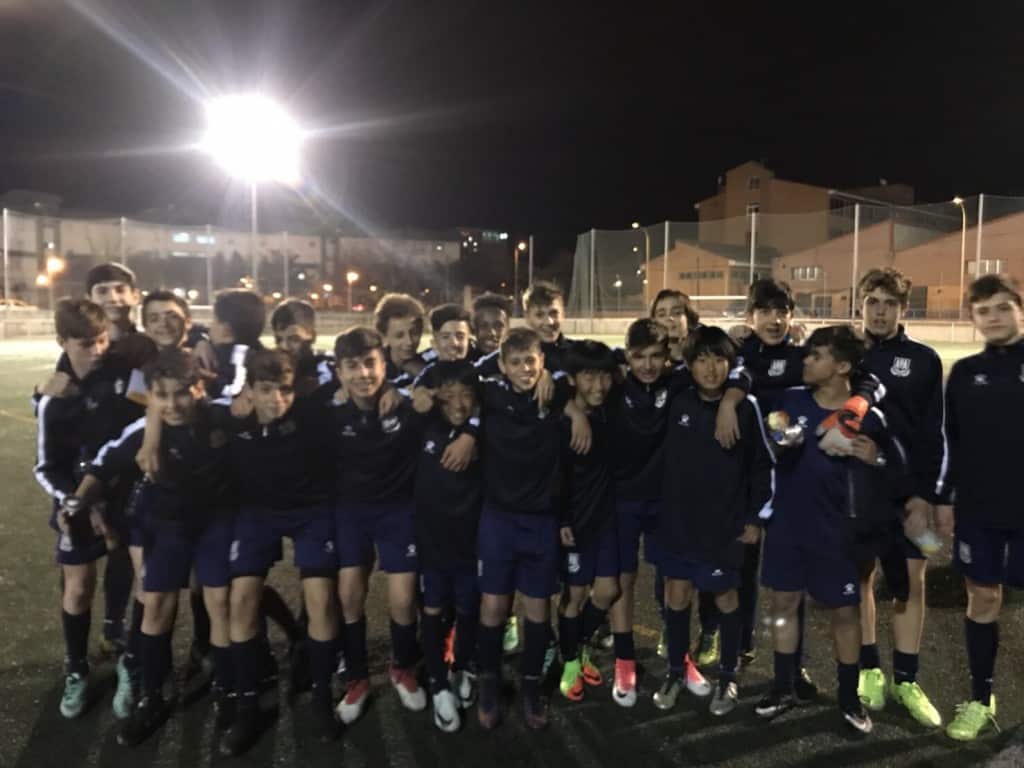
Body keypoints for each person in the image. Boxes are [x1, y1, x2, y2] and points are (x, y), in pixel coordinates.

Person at [67, 348, 235, 745]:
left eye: (181, 393)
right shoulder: (142, 430)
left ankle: (228, 691)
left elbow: (253, 403)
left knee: (220, 602)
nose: (172, 404)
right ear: (152, 397)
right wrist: (75, 503)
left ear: (198, 388)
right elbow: (102, 465)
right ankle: (151, 696)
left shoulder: (222, 416)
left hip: (215, 524)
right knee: (156, 605)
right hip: (167, 526)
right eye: (162, 395)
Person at [755, 325, 898, 734]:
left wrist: (877, 459)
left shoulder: (869, 417)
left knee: (845, 613)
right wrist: (781, 438)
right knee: (783, 604)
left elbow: (896, 471)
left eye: (816, 356)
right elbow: (773, 431)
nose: (806, 361)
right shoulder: (791, 399)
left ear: (842, 366)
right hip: (788, 525)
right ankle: (783, 686)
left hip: (837, 531)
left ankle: (848, 697)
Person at [219, 349, 340, 756]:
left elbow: (345, 383)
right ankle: (248, 706)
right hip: (257, 514)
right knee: (240, 599)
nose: (277, 399)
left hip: (310, 511)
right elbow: (178, 404)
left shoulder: (313, 412)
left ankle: (322, 696)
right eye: (266, 390)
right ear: (250, 390)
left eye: (284, 390)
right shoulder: (230, 416)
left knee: (321, 599)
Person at [32, 298, 146, 720]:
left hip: (124, 496)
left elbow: (149, 419)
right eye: (85, 344)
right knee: (78, 587)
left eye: (101, 340)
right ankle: (77, 668)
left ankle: (130, 659)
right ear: (62, 341)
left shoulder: (123, 375)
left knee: (139, 575)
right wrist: (75, 502)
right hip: (75, 503)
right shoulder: (53, 397)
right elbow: (45, 467)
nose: (97, 350)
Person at [604, 319, 722, 707]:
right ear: (627, 356)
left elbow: (734, 373)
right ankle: (624, 660)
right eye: (639, 357)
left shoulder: (678, 383)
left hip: (666, 500)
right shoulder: (614, 385)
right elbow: (575, 370)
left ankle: (679, 660)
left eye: (656, 356)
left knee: (676, 581)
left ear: (667, 357)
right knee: (623, 579)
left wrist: (732, 399)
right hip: (622, 499)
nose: (648, 365)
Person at [657, 326, 773, 716]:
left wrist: (755, 517)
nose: (711, 368)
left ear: (730, 364)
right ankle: (676, 671)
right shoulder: (678, 400)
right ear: (690, 365)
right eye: (702, 360)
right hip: (679, 522)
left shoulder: (746, 407)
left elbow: (762, 468)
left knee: (726, 597)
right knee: (677, 594)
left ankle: (728, 676)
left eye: (719, 359)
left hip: (724, 525)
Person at [473, 328, 584, 729]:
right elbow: (467, 370)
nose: (524, 369)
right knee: (494, 607)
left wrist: (562, 394)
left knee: (538, 610)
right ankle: (489, 682)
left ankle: (531, 685)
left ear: (542, 362)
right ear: (503, 366)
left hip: (541, 521)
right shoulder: (489, 393)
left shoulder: (555, 398)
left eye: (531, 362)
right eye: (516, 362)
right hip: (498, 519)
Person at [854, 268, 945, 727]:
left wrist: (927, 496)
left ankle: (906, 679)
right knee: (860, 576)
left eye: (890, 303)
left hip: (907, 494)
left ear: (903, 309)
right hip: (857, 489)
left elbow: (933, 434)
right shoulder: (845, 354)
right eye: (873, 301)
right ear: (861, 305)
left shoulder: (924, 360)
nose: (881, 311)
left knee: (912, 579)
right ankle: (868, 668)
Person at [940, 274, 1024, 741]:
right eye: (983, 311)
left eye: (1003, 307)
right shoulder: (965, 374)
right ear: (972, 318)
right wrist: (944, 497)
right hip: (979, 508)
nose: (993, 318)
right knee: (983, 598)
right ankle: (980, 697)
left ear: (1020, 310)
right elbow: (951, 442)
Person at [330, 327, 428, 725]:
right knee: (349, 595)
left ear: (384, 365)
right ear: (339, 371)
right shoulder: (330, 409)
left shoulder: (405, 405)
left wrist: (415, 396)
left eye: (370, 364)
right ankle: (357, 677)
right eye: (352, 366)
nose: (363, 374)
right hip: (351, 513)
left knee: (403, 599)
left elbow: (446, 397)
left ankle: (402, 667)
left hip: (397, 512)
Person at [411, 360, 485, 732]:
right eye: (450, 394)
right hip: (431, 542)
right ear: (437, 395)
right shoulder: (421, 424)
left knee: (469, 608)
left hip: (471, 542)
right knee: (433, 610)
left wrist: (474, 429)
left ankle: (462, 667)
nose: (459, 403)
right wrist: (416, 397)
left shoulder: (484, 430)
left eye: (466, 394)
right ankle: (438, 681)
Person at [556, 341, 621, 703]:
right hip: (575, 522)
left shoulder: (609, 410)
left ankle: (577, 646)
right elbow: (555, 476)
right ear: (572, 379)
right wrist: (562, 519)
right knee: (575, 596)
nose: (599, 385)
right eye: (588, 376)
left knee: (608, 591)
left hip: (605, 519)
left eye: (604, 376)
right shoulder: (562, 421)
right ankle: (570, 662)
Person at [374, 293, 432, 387]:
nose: (409, 342)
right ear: (384, 336)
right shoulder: (372, 369)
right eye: (399, 336)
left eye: (414, 333)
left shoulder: (430, 365)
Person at [470, 292, 512, 361]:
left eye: (498, 326)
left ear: (508, 328)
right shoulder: (463, 363)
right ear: (475, 330)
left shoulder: (520, 363)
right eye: (484, 326)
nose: (492, 333)